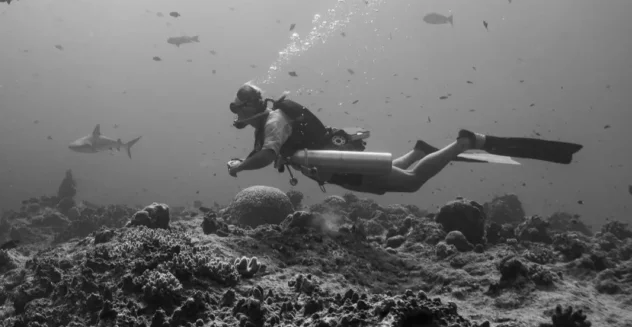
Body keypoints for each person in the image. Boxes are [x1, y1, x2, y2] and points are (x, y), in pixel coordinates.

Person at [226, 82, 582, 195]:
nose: (237, 115)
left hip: (332, 164)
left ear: (251, 106)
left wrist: (240, 168)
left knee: (410, 184)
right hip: (332, 161)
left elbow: (266, 154)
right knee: (393, 168)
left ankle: (464, 141)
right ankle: (419, 150)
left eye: (238, 109)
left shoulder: (272, 122)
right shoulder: (273, 118)